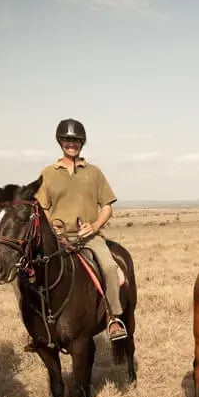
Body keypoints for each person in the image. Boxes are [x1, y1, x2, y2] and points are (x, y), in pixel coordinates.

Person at [36, 118, 128, 341]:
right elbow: (42, 207)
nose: (71, 144)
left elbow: (107, 206)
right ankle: (36, 327)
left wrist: (95, 225)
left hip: (89, 238)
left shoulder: (94, 173)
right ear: (60, 142)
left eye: (76, 140)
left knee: (108, 268)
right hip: (58, 239)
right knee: (30, 274)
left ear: (82, 143)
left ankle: (113, 318)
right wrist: (52, 228)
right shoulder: (48, 172)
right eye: (67, 140)